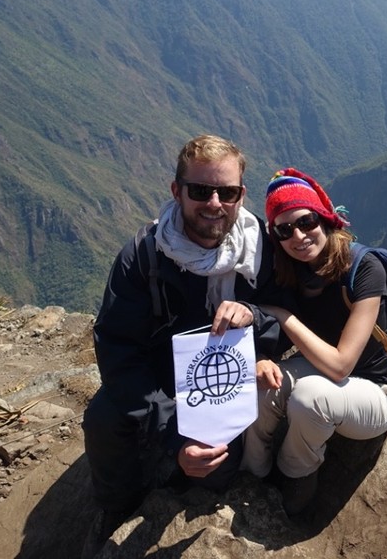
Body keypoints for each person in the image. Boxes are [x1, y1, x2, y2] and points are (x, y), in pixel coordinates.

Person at [82, 135, 285, 549]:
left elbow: (285, 315)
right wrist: (176, 434)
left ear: (241, 196)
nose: (214, 203)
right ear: (176, 191)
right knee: (104, 417)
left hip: (221, 383)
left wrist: (257, 324)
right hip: (161, 380)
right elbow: (119, 353)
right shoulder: (144, 256)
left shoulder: (260, 247)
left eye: (226, 192)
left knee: (215, 476)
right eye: (200, 190)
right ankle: (117, 507)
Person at [241, 168, 387, 516]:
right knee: (264, 385)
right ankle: (251, 474)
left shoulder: (365, 268)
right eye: (285, 230)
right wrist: (260, 356)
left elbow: (341, 364)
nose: (298, 235)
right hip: (322, 370)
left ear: (326, 219)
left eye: (307, 221)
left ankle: (295, 480)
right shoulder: (290, 270)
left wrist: (285, 316)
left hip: (376, 390)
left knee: (309, 398)